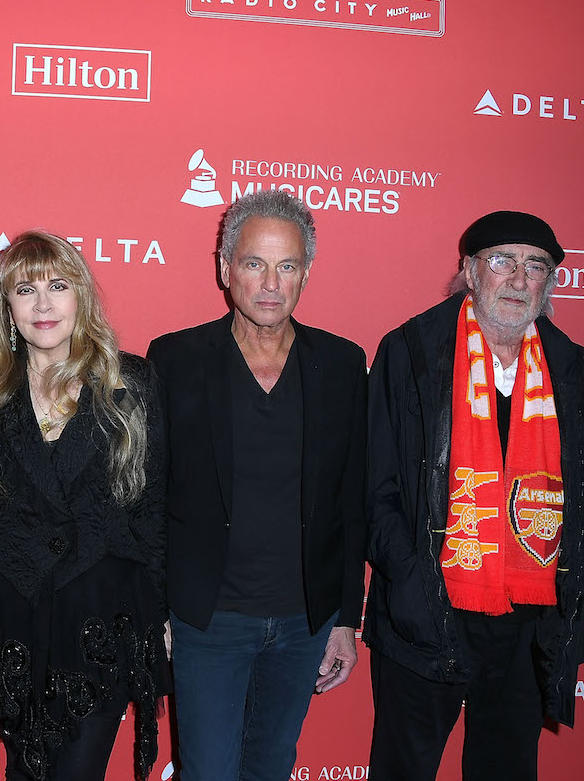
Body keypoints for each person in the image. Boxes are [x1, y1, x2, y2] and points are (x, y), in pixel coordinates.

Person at [363, 210, 584, 780]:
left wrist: (578, 593)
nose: (518, 280)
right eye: (501, 261)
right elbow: (374, 487)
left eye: (535, 265)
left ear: (549, 281)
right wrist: (413, 588)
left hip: (531, 624)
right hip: (425, 611)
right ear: (469, 270)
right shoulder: (410, 355)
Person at [146, 189, 367, 781]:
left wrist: (346, 617)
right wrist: (157, 607)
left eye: (287, 266)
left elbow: (352, 500)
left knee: (270, 769)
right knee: (209, 772)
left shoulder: (343, 365)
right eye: (254, 263)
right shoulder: (174, 360)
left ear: (306, 274)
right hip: (208, 620)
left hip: (304, 621)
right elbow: (151, 496)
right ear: (225, 269)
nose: (271, 283)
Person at [0, 231, 170, 781]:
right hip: (12, 612)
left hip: (102, 615)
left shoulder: (130, 382)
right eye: (25, 289)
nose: (43, 305)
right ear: (6, 305)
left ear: (81, 298)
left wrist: (161, 613)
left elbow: (151, 507)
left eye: (58, 286)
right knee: (26, 771)